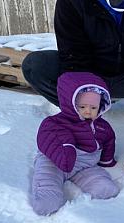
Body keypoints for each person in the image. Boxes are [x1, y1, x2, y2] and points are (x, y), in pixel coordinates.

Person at [31, 72, 119, 215]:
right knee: (48, 182)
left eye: (93, 108)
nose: (88, 112)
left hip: (84, 165)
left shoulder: (102, 126)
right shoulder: (54, 122)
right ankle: (47, 198)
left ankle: (98, 188)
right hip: (53, 161)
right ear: (71, 104)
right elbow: (46, 138)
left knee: (106, 188)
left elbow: (109, 141)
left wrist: (106, 160)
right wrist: (65, 147)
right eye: (82, 107)